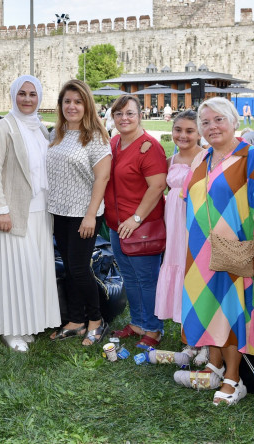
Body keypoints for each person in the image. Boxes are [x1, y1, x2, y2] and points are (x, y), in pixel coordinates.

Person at [175, 97, 254, 406]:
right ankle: (214, 366)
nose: (212, 126)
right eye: (206, 122)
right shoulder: (204, 158)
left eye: (219, 119)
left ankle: (234, 377)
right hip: (200, 250)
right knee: (208, 307)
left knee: (229, 311)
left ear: (234, 121)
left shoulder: (251, 156)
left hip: (234, 247)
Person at [0, 75, 61, 352]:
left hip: (39, 213)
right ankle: (10, 328)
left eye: (33, 94)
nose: (27, 99)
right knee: (11, 271)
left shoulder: (40, 128)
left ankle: (27, 324)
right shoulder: (2, 128)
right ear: (13, 96)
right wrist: (0, 209)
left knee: (32, 270)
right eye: (22, 94)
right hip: (11, 213)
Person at [47, 79, 111, 346]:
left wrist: (90, 214)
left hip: (84, 214)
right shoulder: (56, 135)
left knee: (79, 268)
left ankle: (96, 320)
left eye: (78, 101)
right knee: (70, 270)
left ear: (87, 105)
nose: (72, 106)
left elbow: (102, 178)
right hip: (59, 212)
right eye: (67, 102)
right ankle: (75, 321)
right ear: (61, 105)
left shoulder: (96, 137)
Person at [103, 94, 167, 348]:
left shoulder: (149, 147)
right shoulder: (115, 142)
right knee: (129, 277)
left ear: (140, 115)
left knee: (146, 280)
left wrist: (136, 218)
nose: (124, 118)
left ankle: (154, 328)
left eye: (130, 113)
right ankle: (139, 322)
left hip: (141, 226)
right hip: (116, 225)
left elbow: (158, 185)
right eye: (118, 114)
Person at [155, 110, 203, 325]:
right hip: (174, 220)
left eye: (189, 131)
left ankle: (200, 328)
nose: (183, 135)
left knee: (195, 266)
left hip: (196, 220)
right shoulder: (169, 160)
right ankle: (183, 321)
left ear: (199, 132)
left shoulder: (206, 158)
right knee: (176, 261)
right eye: (178, 129)